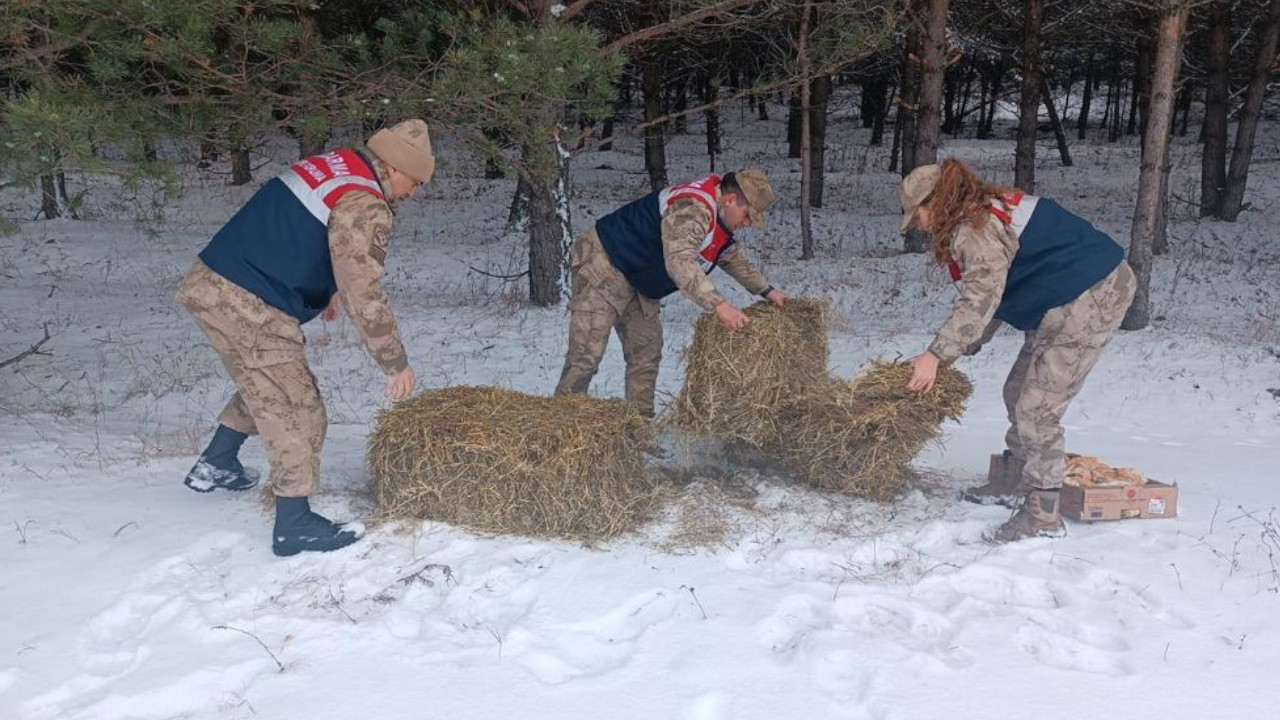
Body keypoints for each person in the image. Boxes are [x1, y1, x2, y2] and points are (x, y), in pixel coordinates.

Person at [176, 119, 435, 556]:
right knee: (298, 406)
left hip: (215, 281)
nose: (413, 192)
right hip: (248, 299)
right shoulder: (365, 201)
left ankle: (217, 463)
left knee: (266, 383)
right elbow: (364, 289)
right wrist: (394, 361)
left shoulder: (338, 165)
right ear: (393, 168)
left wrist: (326, 288)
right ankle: (294, 524)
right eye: (414, 181)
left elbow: (305, 231)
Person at [897, 159, 1136, 542]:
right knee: (1017, 391)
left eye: (919, 214)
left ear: (937, 203)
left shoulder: (975, 228)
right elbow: (993, 296)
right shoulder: (977, 212)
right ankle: (1017, 479)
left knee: (1037, 408)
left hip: (1091, 293)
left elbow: (981, 300)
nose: (919, 226)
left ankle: (1042, 513)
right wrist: (962, 346)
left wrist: (936, 356)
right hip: (1061, 293)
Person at [554, 169, 787, 418]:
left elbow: (731, 258)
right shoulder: (693, 209)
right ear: (730, 200)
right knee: (586, 354)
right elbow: (680, 261)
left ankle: (638, 428)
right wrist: (719, 305)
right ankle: (565, 426)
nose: (747, 223)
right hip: (606, 265)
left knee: (646, 353)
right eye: (747, 215)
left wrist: (768, 291)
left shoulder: (720, 220)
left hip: (641, 280)